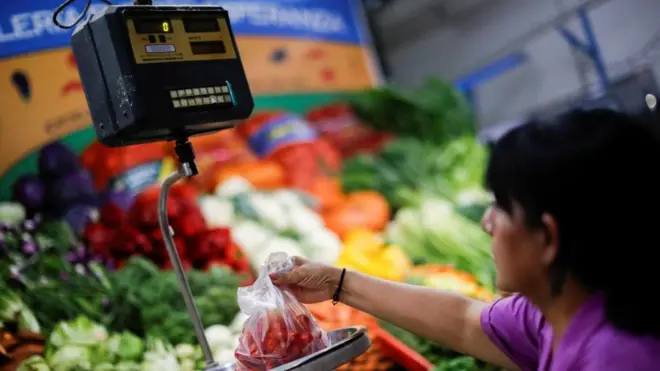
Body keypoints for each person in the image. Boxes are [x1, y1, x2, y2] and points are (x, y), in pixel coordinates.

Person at [270, 109, 660, 371]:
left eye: (502, 207)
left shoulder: (618, 357)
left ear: (549, 237)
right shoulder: (557, 311)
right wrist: (338, 283)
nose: (487, 223)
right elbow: (465, 322)